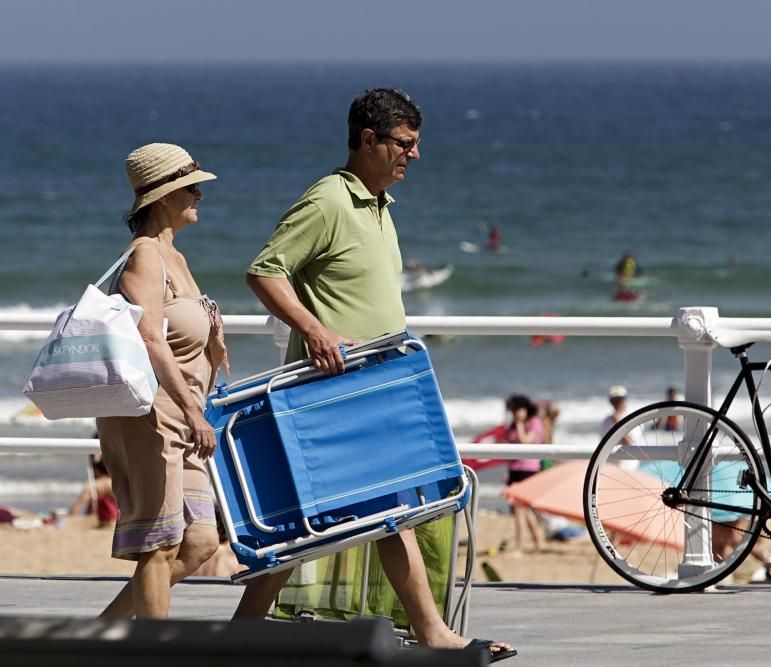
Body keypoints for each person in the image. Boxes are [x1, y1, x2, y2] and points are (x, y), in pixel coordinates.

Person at [240, 88, 514, 660]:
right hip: (330, 395)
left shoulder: (380, 207)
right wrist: (315, 331)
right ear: (369, 139)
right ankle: (433, 633)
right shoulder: (329, 202)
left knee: (379, 515)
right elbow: (265, 272)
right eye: (405, 144)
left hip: (373, 389)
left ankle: (241, 632)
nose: (414, 155)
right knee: (354, 518)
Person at [96, 143, 228, 620]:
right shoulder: (145, 257)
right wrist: (194, 412)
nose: (200, 195)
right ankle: (151, 651)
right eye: (192, 187)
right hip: (153, 417)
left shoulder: (176, 258)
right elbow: (151, 338)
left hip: (185, 419)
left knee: (201, 541)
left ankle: (104, 631)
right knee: (161, 544)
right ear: (165, 196)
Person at [503, 395, 547, 554]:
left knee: (521, 508)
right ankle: (539, 540)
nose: (516, 414)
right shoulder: (513, 424)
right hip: (514, 468)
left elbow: (525, 441)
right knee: (522, 509)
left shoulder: (534, 422)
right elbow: (508, 442)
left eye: (518, 410)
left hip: (528, 468)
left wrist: (520, 424)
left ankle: (519, 546)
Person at [69, 454, 119, 527]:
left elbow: (77, 507)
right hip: (117, 518)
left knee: (90, 496)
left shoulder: (95, 485)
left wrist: (70, 518)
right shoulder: (116, 483)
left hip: (105, 520)